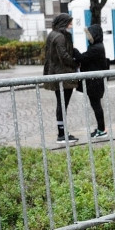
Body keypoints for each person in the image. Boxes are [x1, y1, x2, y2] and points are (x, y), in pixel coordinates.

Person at [42, 13, 81, 144]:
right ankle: (61, 134)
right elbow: (63, 55)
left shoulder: (54, 34)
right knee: (62, 104)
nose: (72, 24)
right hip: (63, 74)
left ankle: (62, 132)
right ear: (64, 23)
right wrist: (75, 63)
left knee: (61, 104)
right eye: (70, 22)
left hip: (57, 73)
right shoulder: (59, 37)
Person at [78, 23, 110, 140]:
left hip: (95, 82)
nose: (88, 37)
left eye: (90, 35)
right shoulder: (97, 46)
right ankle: (101, 128)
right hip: (95, 81)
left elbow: (83, 58)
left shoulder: (96, 48)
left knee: (96, 106)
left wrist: (74, 51)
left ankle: (101, 130)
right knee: (96, 105)